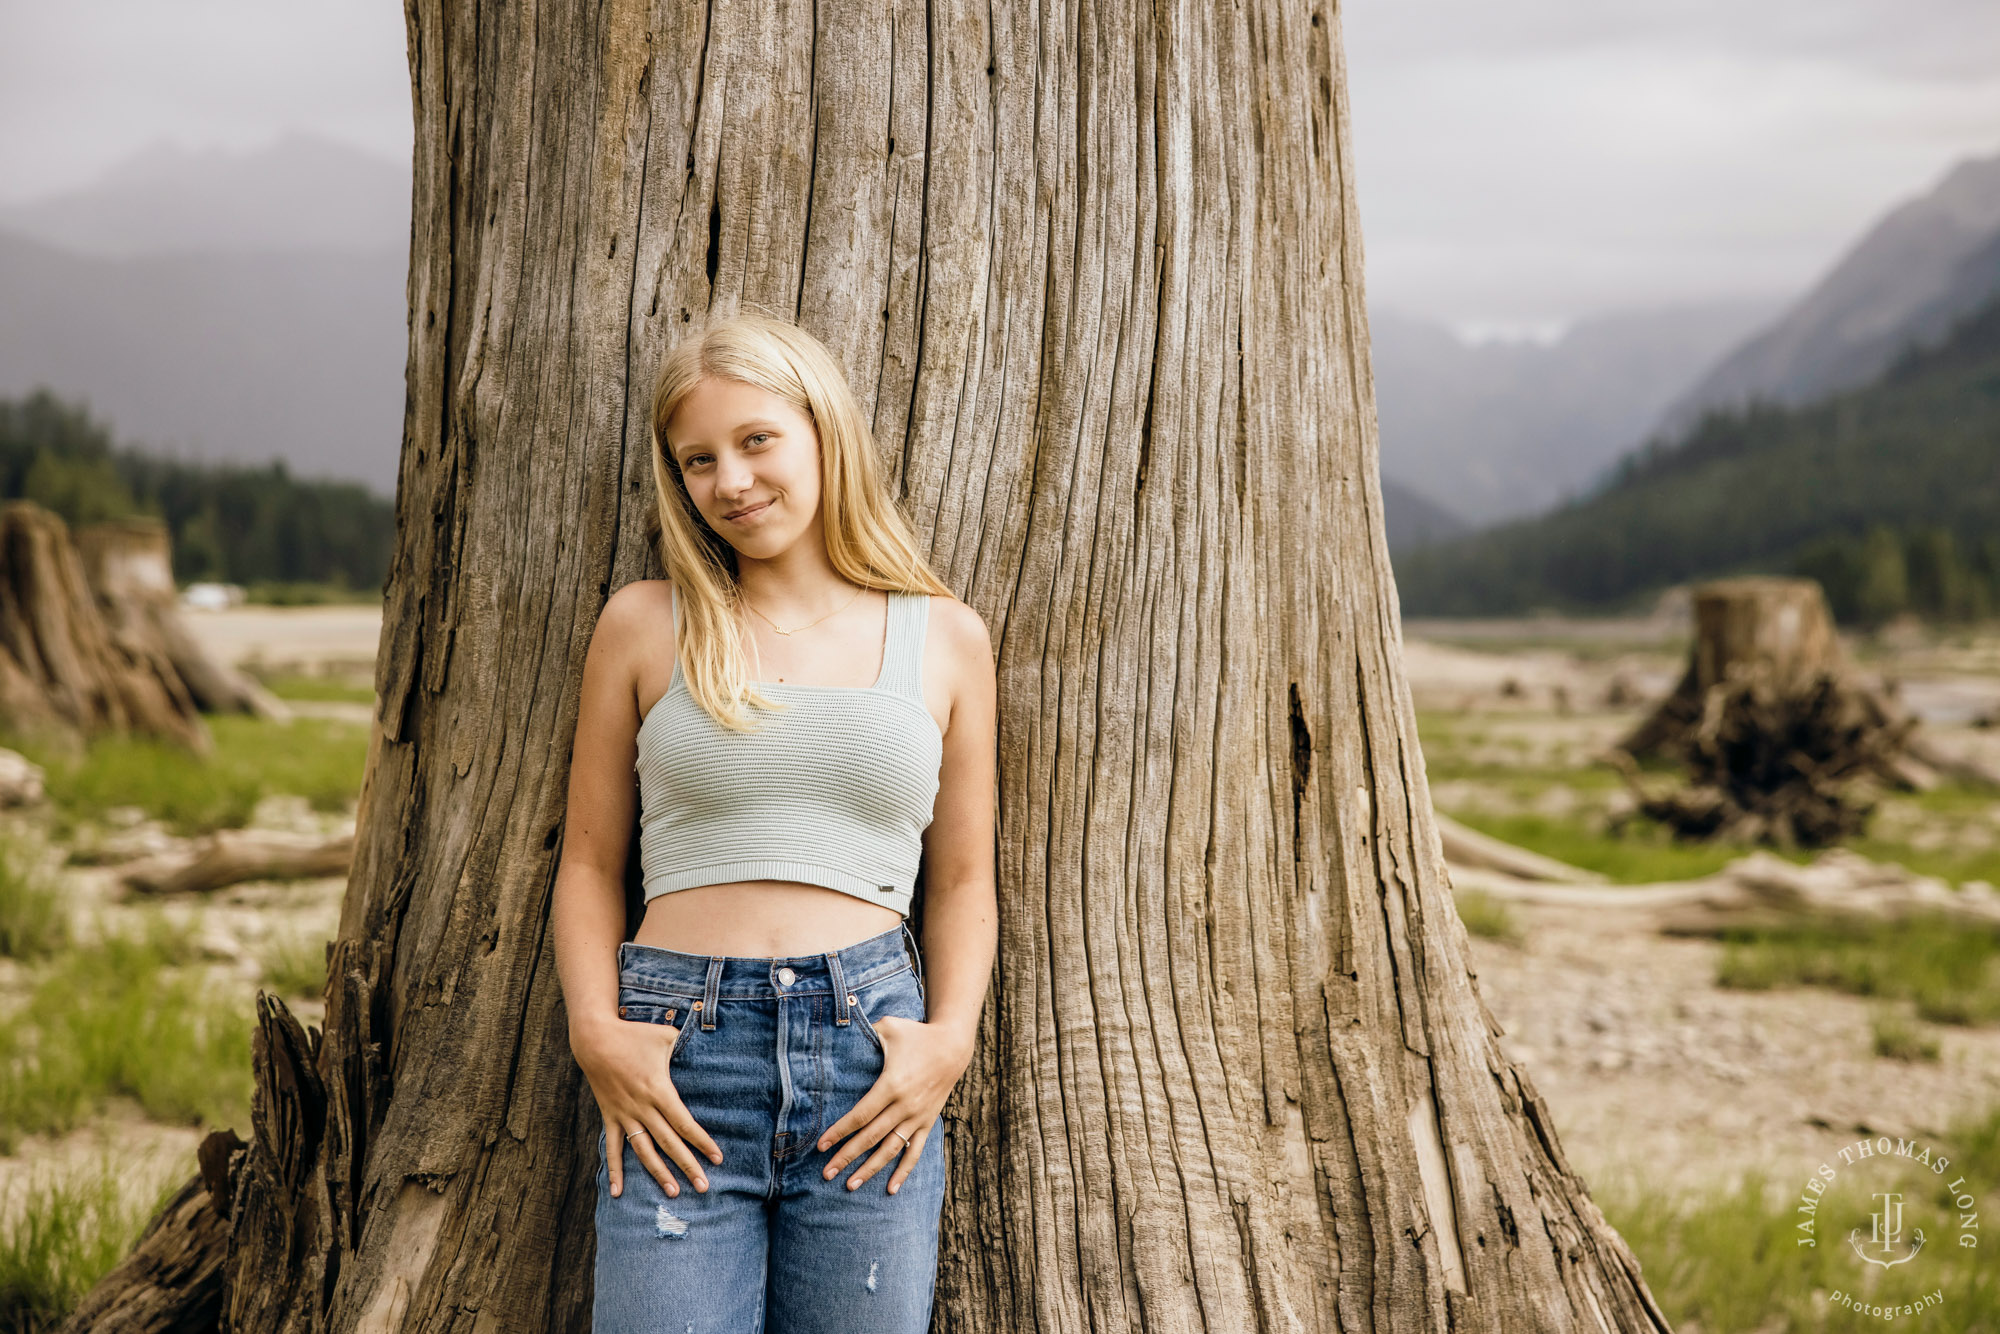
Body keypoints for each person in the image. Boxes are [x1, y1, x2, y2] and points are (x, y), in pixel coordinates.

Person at [551, 309, 997, 1334]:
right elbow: (587, 863)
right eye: (698, 459)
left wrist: (947, 1042)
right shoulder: (644, 623)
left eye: (756, 440)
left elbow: (964, 878)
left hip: (868, 1057)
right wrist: (596, 1032)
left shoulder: (941, 638)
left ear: (821, 429)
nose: (731, 481)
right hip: (676, 1057)